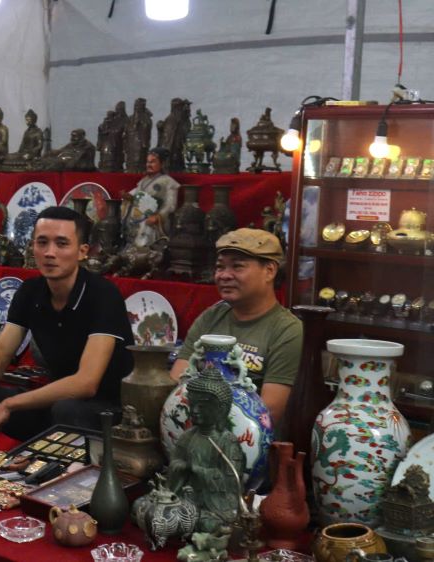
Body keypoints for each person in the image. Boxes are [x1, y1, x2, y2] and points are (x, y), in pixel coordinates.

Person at [0, 206, 135, 464]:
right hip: (57, 404)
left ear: (82, 252)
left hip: (107, 411)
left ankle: (60, 495)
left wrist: (9, 405)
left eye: (62, 244)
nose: (50, 253)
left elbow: (86, 383)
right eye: (42, 242)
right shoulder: (29, 292)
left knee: (67, 408)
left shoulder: (103, 295)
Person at [169, 228, 302, 424]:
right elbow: (177, 382)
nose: (224, 275)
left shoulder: (287, 330)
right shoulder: (211, 317)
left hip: (247, 437)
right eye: (220, 267)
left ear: (270, 271)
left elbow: (269, 412)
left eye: (237, 267)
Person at [167, 362, 246, 533]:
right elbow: (174, 465)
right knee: (145, 507)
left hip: (213, 505)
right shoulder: (188, 436)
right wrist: (181, 467)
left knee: (208, 524)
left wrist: (197, 470)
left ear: (221, 409)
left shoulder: (227, 442)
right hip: (185, 498)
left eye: (202, 406)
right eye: (192, 404)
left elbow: (231, 483)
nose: (194, 410)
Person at [123, 147, 180, 247]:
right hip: (136, 219)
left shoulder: (169, 182)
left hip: (151, 221)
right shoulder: (143, 181)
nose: (149, 165)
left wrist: (159, 217)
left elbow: (170, 205)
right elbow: (136, 195)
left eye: (153, 162)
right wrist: (128, 197)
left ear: (162, 164)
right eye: (148, 162)